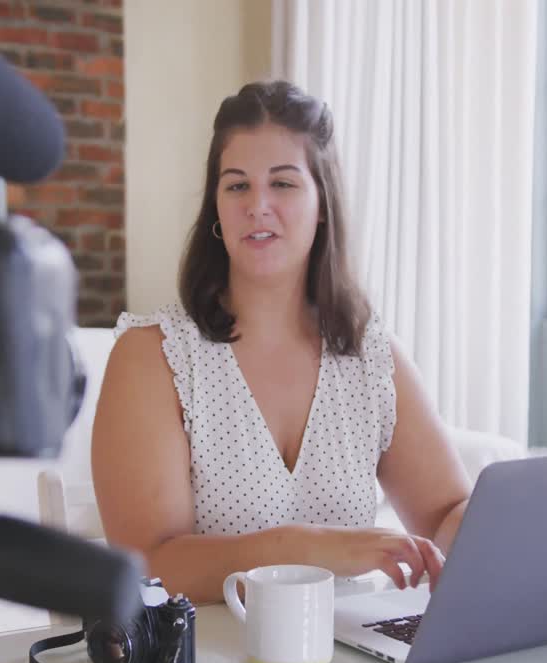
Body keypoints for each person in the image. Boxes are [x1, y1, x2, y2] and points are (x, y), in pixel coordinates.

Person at [91, 80, 472, 605]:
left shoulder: (372, 358)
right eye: (237, 185)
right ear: (217, 210)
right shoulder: (151, 357)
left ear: (321, 205)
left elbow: (447, 516)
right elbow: (148, 565)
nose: (258, 205)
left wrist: (516, 523)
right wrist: (309, 549)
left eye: (284, 184)